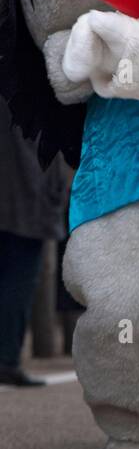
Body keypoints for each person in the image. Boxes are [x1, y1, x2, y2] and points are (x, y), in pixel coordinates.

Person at [0, 96, 67, 386]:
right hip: (27, 197)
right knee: (20, 280)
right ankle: (7, 359)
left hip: (22, 193)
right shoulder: (27, 66)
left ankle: (10, 358)